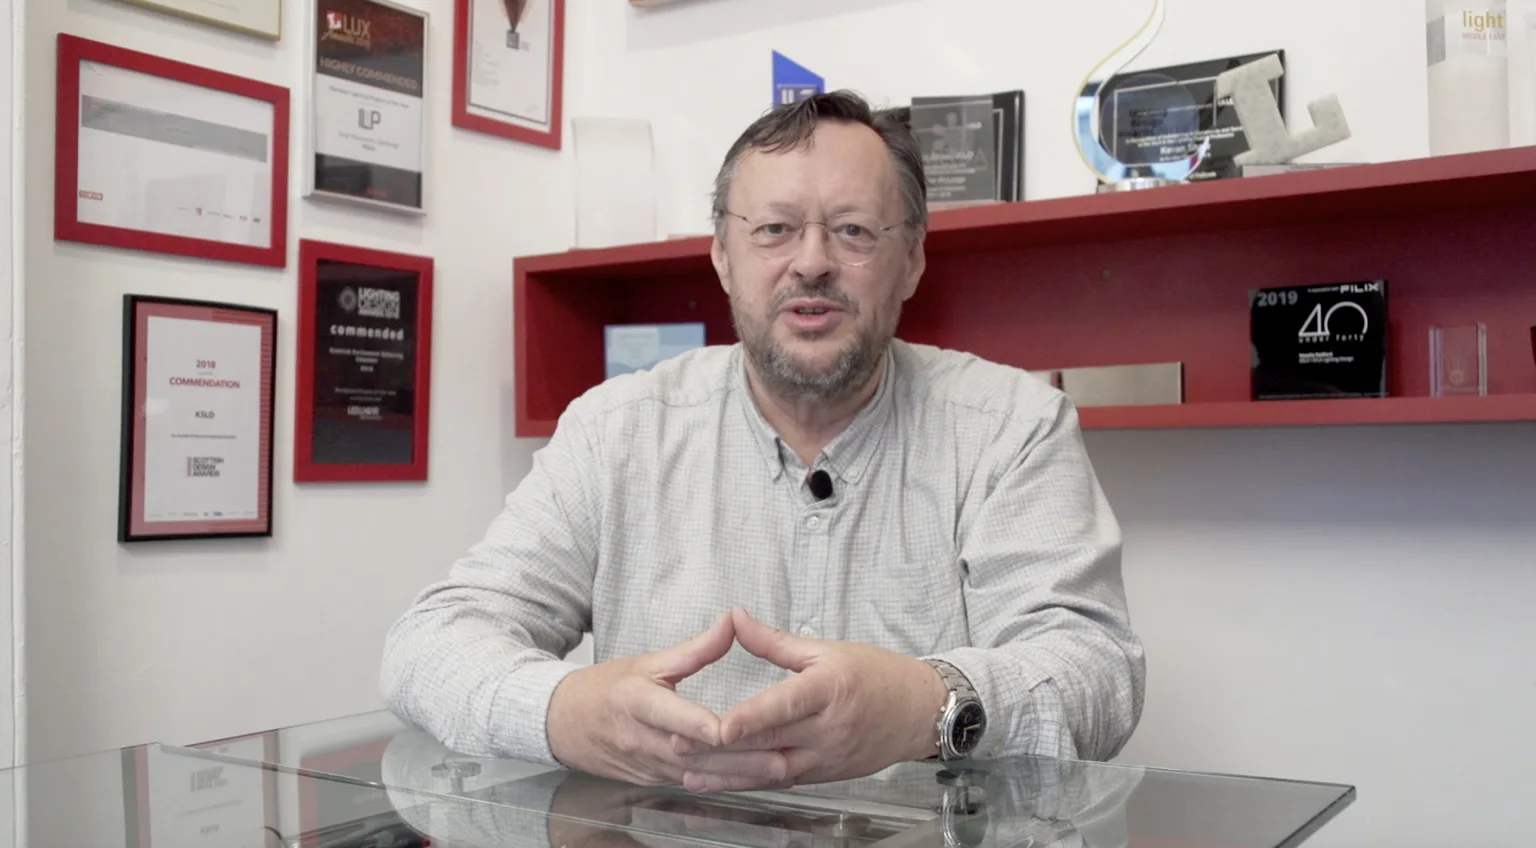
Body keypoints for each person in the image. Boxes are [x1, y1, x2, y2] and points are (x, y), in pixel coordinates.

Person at [380, 89, 1144, 795]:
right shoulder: (615, 432)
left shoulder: (1012, 427)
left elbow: (1097, 675)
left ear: (911, 260)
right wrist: (562, 712)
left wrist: (926, 705)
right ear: (722, 254)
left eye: (853, 230)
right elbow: (430, 644)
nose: (811, 262)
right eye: (774, 230)